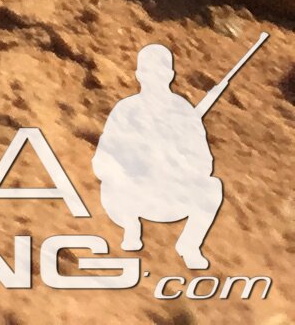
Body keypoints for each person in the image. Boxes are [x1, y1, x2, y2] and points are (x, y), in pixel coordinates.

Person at [91, 44, 227, 270]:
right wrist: (133, 166)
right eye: (148, 72)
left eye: (160, 72)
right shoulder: (126, 109)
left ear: (170, 75)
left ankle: (189, 245)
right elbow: (102, 160)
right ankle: (131, 228)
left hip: (168, 193)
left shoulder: (183, 111)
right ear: (139, 75)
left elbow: (204, 164)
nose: (154, 78)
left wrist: (177, 162)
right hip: (130, 194)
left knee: (212, 187)